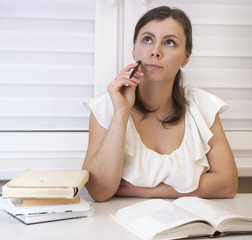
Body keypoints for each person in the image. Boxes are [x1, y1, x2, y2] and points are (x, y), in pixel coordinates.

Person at [82, 6, 238, 202]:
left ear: (186, 57)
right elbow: (99, 191)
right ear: (134, 50)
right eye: (147, 40)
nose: (155, 52)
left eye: (169, 43)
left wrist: (145, 191)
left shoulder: (202, 106)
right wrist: (121, 114)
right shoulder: (105, 107)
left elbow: (228, 185)